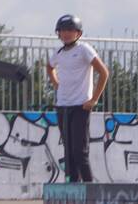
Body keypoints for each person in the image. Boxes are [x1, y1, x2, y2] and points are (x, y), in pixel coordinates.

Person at [46, 14, 109, 183]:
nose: (66, 34)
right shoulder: (58, 53)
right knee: (68, 150)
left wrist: (94, 99)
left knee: (79, 151)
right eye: (63, 30)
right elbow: (49, 67)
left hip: (80, 106)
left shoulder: (84, 49)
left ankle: (89, 189)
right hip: (62, 106)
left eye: (70, 30)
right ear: (58, 33)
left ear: (78, 33)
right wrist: (57, 84)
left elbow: (103, 72)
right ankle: (73, 188)